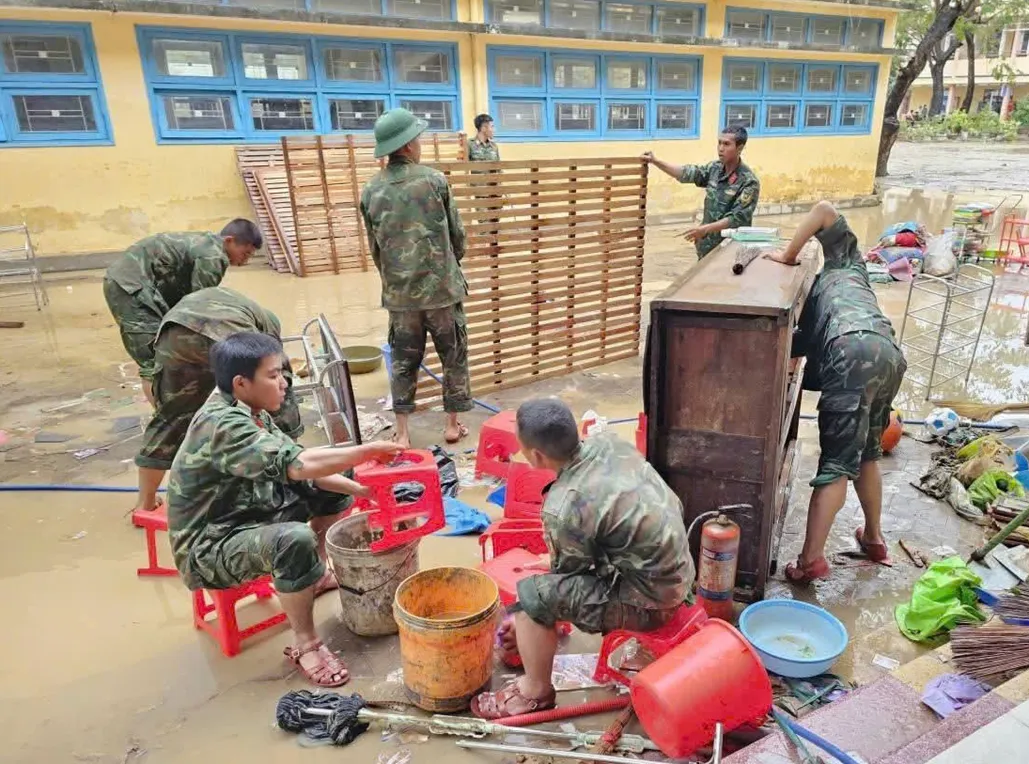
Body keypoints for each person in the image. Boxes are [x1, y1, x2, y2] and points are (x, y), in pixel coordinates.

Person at [168, 332, 404, 687]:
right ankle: (306, 645)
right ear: (241, 382)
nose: (283, 384)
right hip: (210, 544)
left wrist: (359, 488)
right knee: (293, 540)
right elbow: (296, 465)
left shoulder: (248, 408)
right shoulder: (223, 424)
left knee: (333, 485)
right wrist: (366, 451)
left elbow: (300, 462)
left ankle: (315, 573)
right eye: (274, 375)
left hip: (246, 510)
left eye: (283, 374)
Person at [471, 398, 695, 719]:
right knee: (539, 592)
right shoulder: (608, 444)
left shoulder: (563, 508)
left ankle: (537, 691)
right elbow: (613, 521)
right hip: (678, 568)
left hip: (653, 602)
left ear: (536, 455)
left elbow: (557, 588)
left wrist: (520, 617)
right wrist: (556, 560)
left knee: (531, 597)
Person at [764, 202, 906, 584]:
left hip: (850, 353)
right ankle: (874, 539)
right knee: (868, 451)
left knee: (836, 464)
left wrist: (785, 256)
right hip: (888, 353)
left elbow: (822, 209)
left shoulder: (833, 272)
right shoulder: (851, 266)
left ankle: (811, 561)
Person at [131, 286, 301, 515]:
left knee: (170, 418)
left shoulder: (239, 304)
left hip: (174, 334)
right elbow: (271, 375)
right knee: (279, 396)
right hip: (221, 330)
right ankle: (289, 473)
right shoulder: (265, 326)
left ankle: (145, 503)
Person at [360, 107, 472, 449]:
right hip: (441, 291)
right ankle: (452, 426)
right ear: (408, 144)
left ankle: (403, 432)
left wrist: (396, 280)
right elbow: (458, 237)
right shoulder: (435, 181)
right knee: (453, 357)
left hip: (400, 297)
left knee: (403, 362)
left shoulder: (370, 191)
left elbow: (375, 249)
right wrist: (448, 265)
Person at [103, 220, 261, 406]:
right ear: (229, 240)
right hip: (132, 289)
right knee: (154, 361)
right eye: (245, 253)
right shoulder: (213, 256)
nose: (245, 261)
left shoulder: (206, 243)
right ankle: (165, 424)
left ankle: (177, 411)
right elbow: (200, 305)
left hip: (138, 284)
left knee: (172, 348)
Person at [642, 126, 760, 259]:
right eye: (719, 143)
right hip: (707, 248)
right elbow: (687, 173)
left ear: (740, 148)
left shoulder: (749, 182)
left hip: (730, 251)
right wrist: (656, 161)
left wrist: (705, 229)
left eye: (726, 144)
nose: (721, 148)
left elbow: (736, 219)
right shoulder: (715, 168)